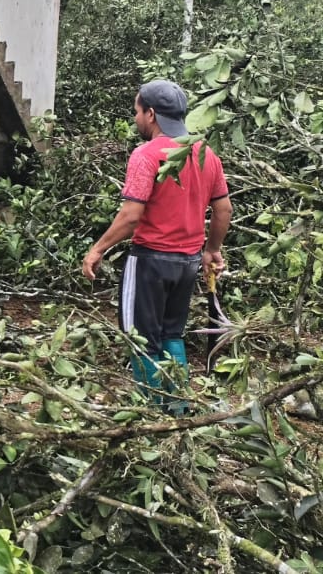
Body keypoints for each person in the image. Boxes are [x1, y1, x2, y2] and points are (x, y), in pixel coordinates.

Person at [82, 79, 231, 404]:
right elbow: (223, 209)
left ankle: (151, 409)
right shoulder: (206, 154)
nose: (136, 118)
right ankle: (177, 407)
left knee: (140, 339)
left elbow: (131, 216)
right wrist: (212, 250)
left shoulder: (147, 154)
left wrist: (98, 249)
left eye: (137, 112)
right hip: (188, 262)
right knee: (171, 334)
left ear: (150, 114)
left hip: (151, 261)